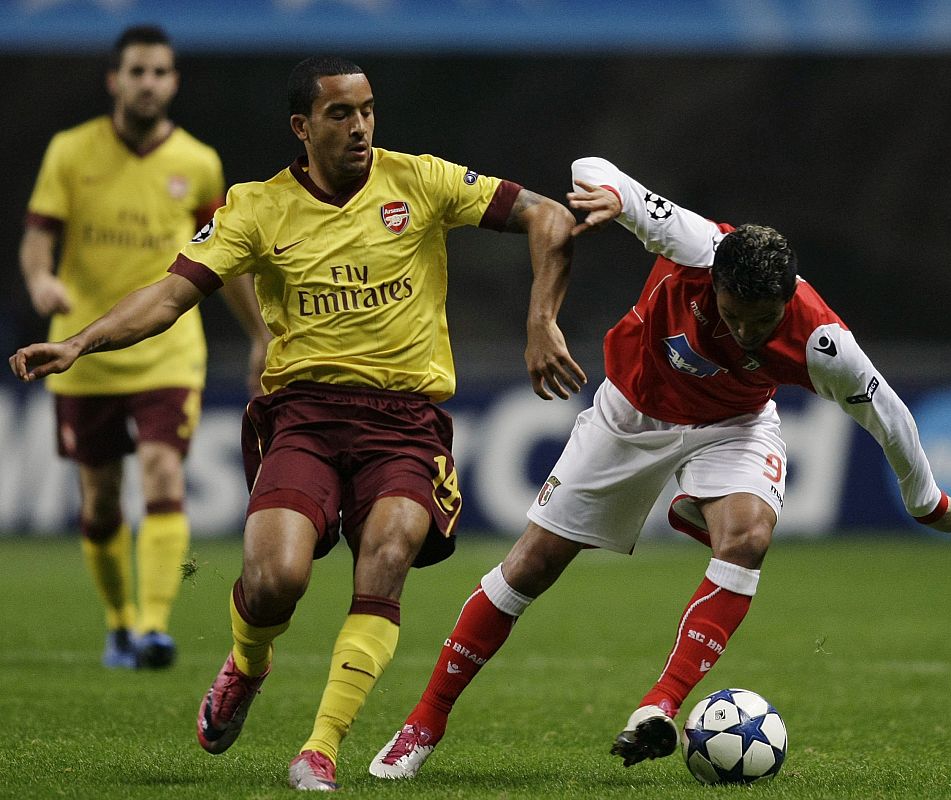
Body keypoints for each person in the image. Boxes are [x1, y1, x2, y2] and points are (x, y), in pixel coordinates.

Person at [10, 55, 585, 791]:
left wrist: (541, 322)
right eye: (340, 114)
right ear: (302, 126)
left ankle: (321, 747)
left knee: (388, 554)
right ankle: (248, 664)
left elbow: (549, 215)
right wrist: (80, 342)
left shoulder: (421, 181)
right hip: (305, 418)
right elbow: (170, 295)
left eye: (367, 110)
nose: (360, 127)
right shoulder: (257, 208)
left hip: (404, 422)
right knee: (275, 580)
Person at [366, 156, 951, 780]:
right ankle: (423, 723)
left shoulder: (823, 342)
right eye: (733, 313)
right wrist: (610, 194)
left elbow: (890, 417)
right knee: (530, 566)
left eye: (762, 320)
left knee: (749, 538)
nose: (745, 331)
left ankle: (660, 703)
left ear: (786, 299)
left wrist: (927, 503)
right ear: (715, 281)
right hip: (629, 416)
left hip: (733, 426)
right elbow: (594, 167)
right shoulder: (694, 245)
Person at [16, 25, 258, 670]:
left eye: (159, 72)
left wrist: (260, 332)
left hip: (167, 351)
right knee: (99, 499)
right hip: (83, 351)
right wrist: (40, 281)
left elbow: (222, 257)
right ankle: (120, 622)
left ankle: (153, 627)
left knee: (162, 471)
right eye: (137, 71)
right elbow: (39, 235)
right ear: (115, 80)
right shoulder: (71, 151)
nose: (148, 83)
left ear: (173, 82)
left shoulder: (198, 161)